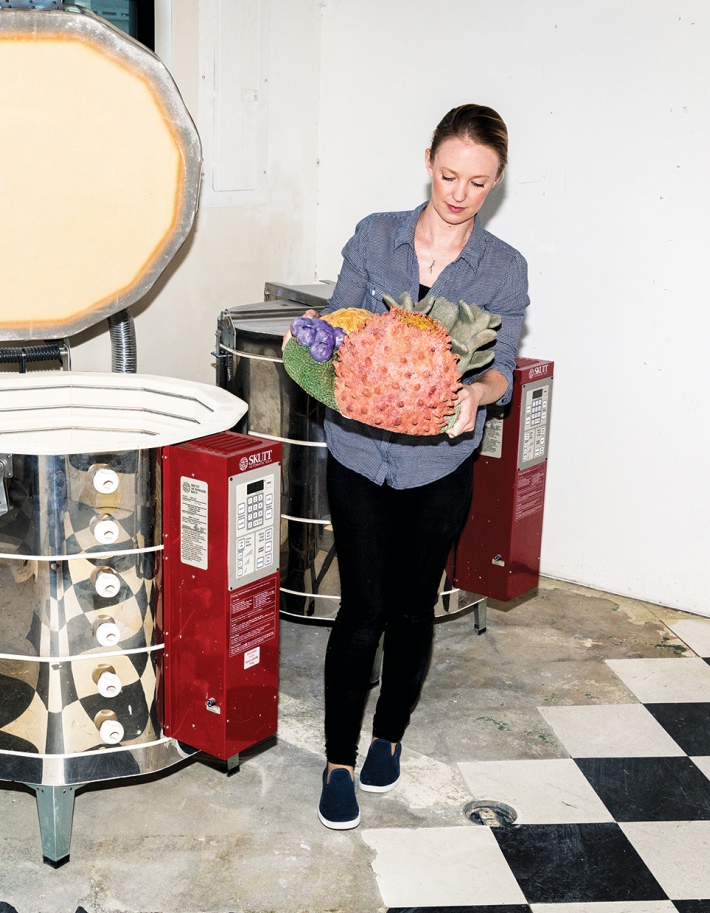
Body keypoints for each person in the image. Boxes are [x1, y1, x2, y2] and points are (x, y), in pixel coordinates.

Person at [295, 104, 529, 829]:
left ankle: (388, 735)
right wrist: (327, 351)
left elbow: (505, 373)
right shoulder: (374, 236)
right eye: (450, 174)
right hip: (360, 455)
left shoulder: (503, 268)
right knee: (361, 608)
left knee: (409, 606)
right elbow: (332, 331)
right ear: (429, 160)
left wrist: (475, 394)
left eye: (478, 183)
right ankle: (338, 760)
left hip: (439, 466)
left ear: (495, 185)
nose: (459, 193)